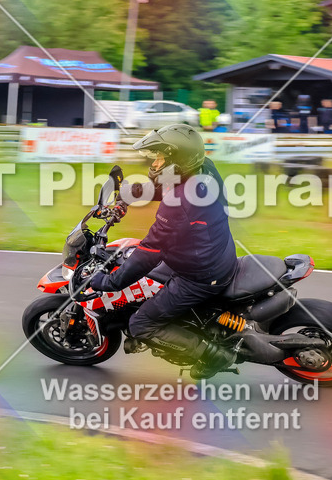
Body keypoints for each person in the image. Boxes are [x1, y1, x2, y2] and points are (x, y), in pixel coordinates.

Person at [87, 124, 238, 379]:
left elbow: (149, 251)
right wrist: (126, 196)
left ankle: (214, 356)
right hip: (213, 253)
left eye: (160, 158)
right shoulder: (203, 169)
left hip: (199, 275)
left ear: (178, 162)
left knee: (141, 324)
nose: (155, 163)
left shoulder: (179, 204)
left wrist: (109, 282)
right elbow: (162, 186)